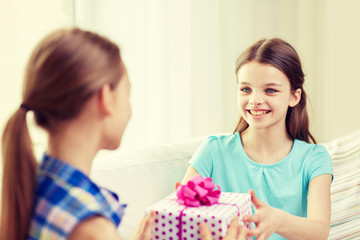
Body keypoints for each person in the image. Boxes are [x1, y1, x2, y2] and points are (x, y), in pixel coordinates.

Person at [0, 27, 246, 240]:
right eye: (127, 94)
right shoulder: (91, 228)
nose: (129, 107)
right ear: (105, 98)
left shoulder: (30, 186)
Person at [180, 38, 333, 240]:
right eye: (246, 89)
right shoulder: (213, 150)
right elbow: (181, 216)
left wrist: (276, 220)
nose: (255, 100)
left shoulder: (314, 158)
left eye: (270, 90)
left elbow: (319, 231)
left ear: (294, 96)